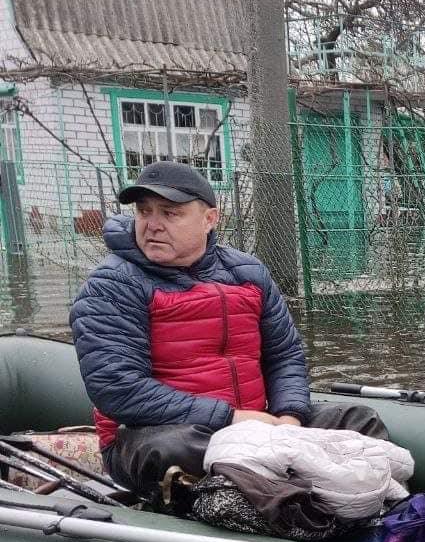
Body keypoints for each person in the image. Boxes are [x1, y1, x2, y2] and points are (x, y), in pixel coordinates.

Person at [69, 161, 384, 498]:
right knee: (175, 449)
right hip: (154, 435)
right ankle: (291, 499)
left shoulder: (248, 272)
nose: (153, 225)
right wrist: (232, 418)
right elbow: (119, 389)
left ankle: (366, 510)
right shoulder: (112, 285)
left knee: (357, 419)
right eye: (144, 212)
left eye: (170, 213)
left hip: (259, 422)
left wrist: (289, 416)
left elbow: (284, 356)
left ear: (210, 219)